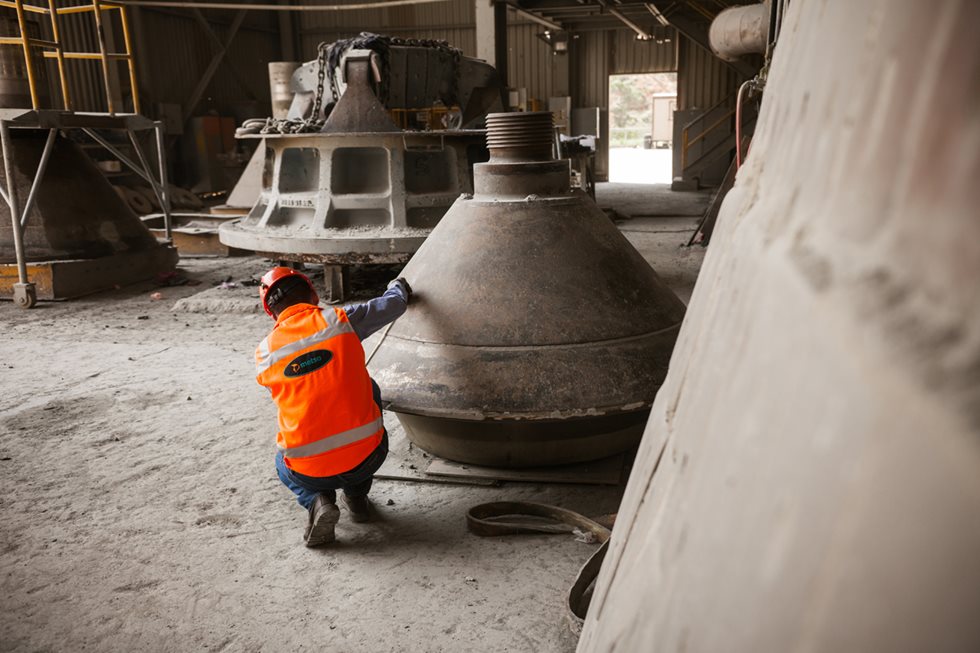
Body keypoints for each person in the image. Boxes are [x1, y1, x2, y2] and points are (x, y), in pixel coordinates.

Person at [254, 266, 411, 547]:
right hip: (368, 459)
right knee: (369, 388)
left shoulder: (264, 353)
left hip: (308, 471)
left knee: (282, 459)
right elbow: (394, 304)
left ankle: (317, 501)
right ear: (313, 295)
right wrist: (399, 285)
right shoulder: (341, 320)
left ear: (272, 313)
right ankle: (357, 498)